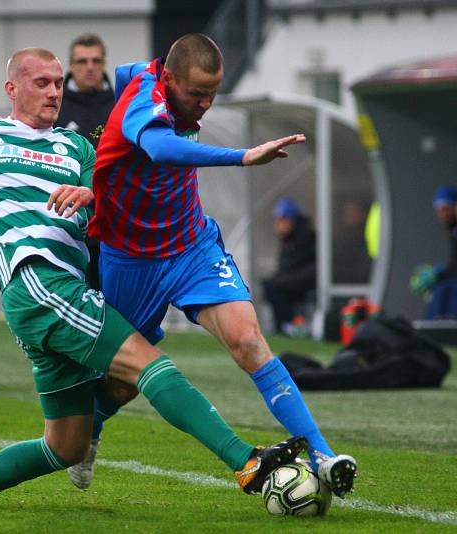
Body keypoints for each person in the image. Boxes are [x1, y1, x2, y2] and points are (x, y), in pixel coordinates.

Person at [0, 47, 306, 510]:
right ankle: (247, 462)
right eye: (41, 82)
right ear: (12, 88)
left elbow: (102, 206)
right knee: (151, 363)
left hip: (63, 290)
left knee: (63, 446)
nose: (53, 92)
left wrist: (94, 195)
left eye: (58, 83)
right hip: (38, 281)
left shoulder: (77, 147)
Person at [80, 33, 357, 498]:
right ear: (168, 78)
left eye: (214, 93)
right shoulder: (143, 101)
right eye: (197, 94)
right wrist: (243, 157)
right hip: (130, 259)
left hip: (191, 246)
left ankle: (322, 455)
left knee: (248, 341)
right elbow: (163, 149)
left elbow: (127, 72)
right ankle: (88, 430)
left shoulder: (161, 82)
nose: (206, 104)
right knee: (121, 384)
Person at [55, 33, 116, 290]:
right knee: (76, 296)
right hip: (68, 219)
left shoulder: (119, 105)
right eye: (82, 61)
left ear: (104, 64)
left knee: (114, 298)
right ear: (71, 65)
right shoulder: (55, 106)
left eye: (96, 61)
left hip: (114, 218)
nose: (89, 67)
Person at [261, 197, 316, 334]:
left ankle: (287, 325)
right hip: (291, 282)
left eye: (281, 219)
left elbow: (310, 268)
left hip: (304, 284)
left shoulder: (305, 237)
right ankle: (282, 325)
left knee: (274, 288)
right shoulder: (288, 239)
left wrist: (283, 281)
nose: (278, 224)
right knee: (269, 285)